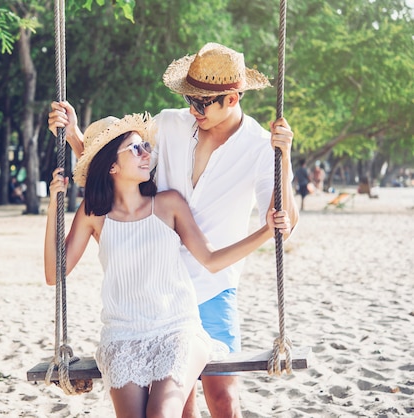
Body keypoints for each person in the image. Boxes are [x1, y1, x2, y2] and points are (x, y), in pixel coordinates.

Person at [48, 42, 299, 418]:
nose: (193, 109)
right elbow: (120, 164)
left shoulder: (260, 147)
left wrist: (285, 155)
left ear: (231, 99)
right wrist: (75, 137)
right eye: (190, 100)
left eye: (202, 103)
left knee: (223, 396)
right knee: (181, 406)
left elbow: (283, 221)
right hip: (158, 284)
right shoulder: (168, 124)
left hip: (214, 283)